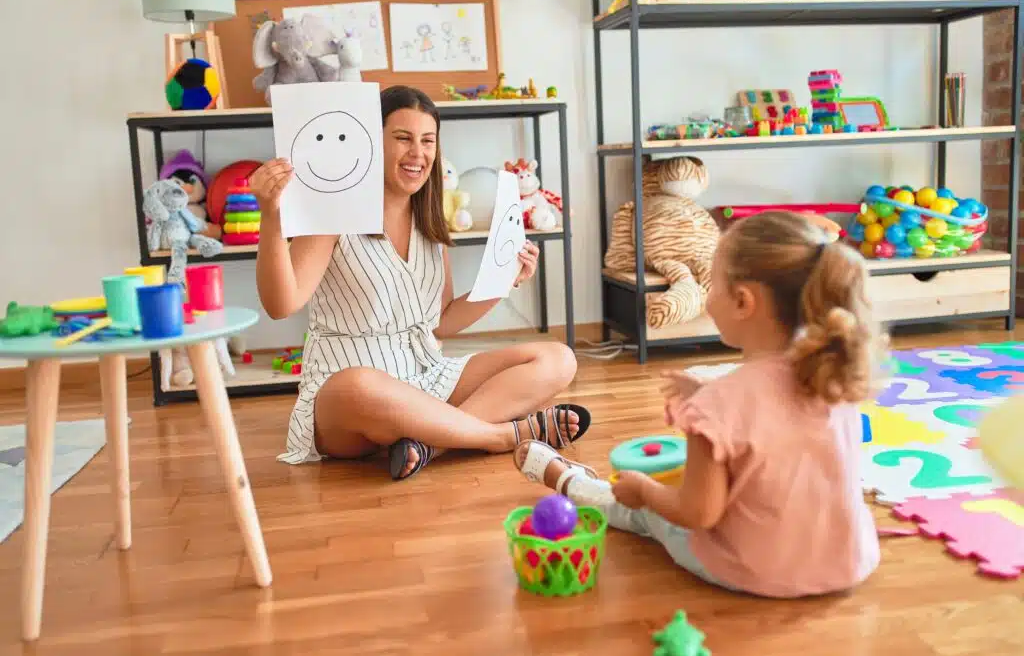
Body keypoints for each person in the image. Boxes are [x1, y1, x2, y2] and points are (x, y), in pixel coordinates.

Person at [513, 211, 887, 598]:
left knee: (643, 511)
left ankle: (571, 482)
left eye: (712, 283)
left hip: (755, 570)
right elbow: (775, 409)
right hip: (847, 562)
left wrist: (644, 490)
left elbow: (697, 513)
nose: (708, 297)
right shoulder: (834, 376)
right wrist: (708, 392)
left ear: (743, 301)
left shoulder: (720, 405)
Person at [251, 85, 591, 480]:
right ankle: (497, 436)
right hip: (349, 397)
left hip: (426, 375)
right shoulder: (333, 213)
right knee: (358, 384)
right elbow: (281, 304)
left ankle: (432, 442)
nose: (418, 153)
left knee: (557, 358)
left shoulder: (428, 220)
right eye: (402, 139)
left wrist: (507, 279)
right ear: (372, 143)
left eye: (427, 141)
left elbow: (441, 321)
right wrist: (271, 216)